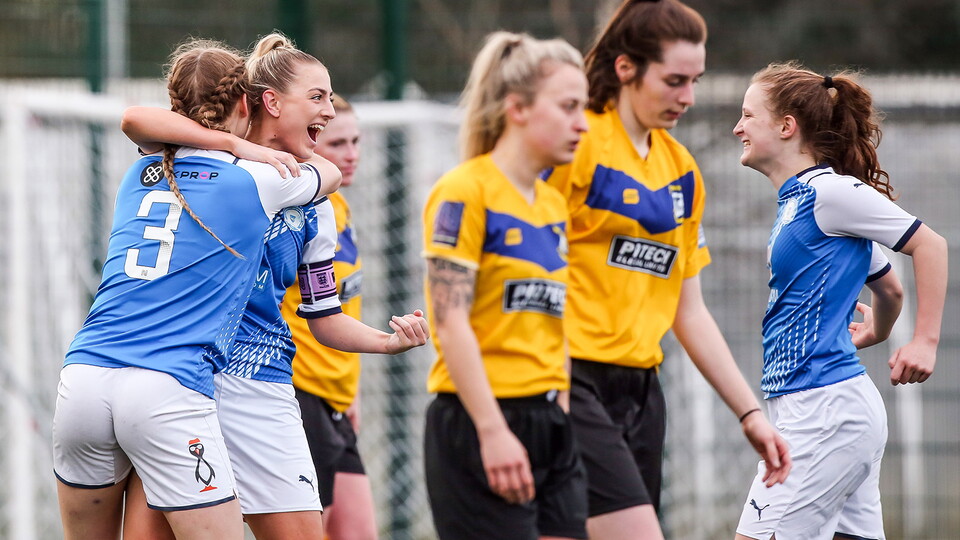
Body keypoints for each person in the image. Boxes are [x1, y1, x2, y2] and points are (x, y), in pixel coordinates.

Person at [118, 35, 430, 540]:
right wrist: (233, 144)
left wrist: (386, 342)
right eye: (318, 96)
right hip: (174, 380)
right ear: (269, 102)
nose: (329, 111)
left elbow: (323, 316)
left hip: (259, 387)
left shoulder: (317, 204)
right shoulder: (202, 158)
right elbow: (136, 120)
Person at [52, 38, 341, 540]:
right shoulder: (257, 178)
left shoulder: (141, 169)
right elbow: (330, 173)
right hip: (165, 384)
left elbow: (134, 119)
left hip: (83, 377)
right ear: (250, 102)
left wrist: (232, 141)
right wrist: (241, 146)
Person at [540, 1, 791, 538]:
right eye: (675, 80)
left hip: (640, 396)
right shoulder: (574, 143)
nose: (689, 97)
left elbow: (689, 309)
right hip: (567, 378)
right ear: (626, 67)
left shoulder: (681, 171)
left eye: (695, 80)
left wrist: (749, 414)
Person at [731, 62, 947, 540]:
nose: (737, 127)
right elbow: (888, 287)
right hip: (827, 411)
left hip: (824, 412)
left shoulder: (828, 192)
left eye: (748, 116)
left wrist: (924, 341)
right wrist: (878, 332)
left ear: (787, 127)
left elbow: (929, 244)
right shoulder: (800, 202)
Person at [422, 31, 590, 540]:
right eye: (567, 107)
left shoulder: (552, 204)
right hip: (478, 423)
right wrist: (493, 431)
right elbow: (450, 325)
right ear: (517, 109)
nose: (582, 123)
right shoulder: (463, 192)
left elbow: (552, 319)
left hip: (549, 421)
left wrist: (558, 403)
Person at [278, 95, 380, 540]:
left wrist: (349, 390)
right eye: (338, 143)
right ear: (309, 145)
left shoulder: (340, 207)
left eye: (356, 141)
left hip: (337, 397)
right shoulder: (297, 211)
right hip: (302, 393)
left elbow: (342, 304)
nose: (352, 154)